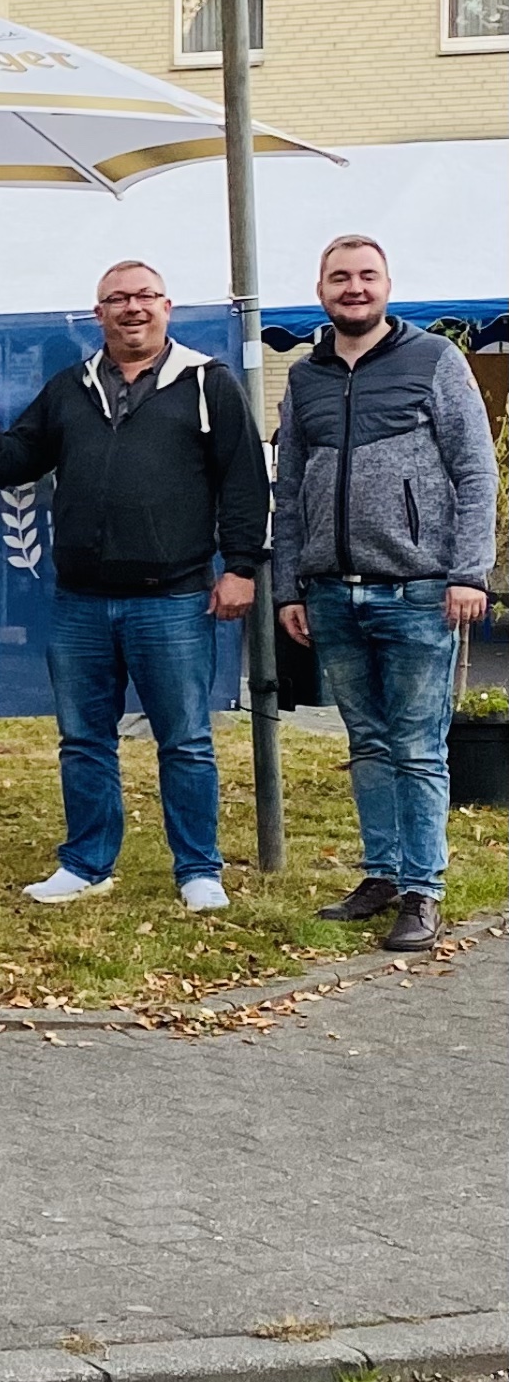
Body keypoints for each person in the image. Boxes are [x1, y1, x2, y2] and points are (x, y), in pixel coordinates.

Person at [0, 260, 269, 912]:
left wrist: (241, 567)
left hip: (174, 599)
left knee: (185, 741)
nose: (132, 308)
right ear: (97, 313)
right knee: (83, 741)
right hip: (80, 601)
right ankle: (85, 864)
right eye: (117, 299)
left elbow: (245, 483)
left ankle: (198, 870)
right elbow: (21, 461)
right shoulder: (69, 387)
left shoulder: (207, 383)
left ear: (167, 306)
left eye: (144, 296)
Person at [274, 235, 497, 954]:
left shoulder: (434, 360)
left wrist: (468, 572)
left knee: (417, 747)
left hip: (419, 591)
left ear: (387, 285)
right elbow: (289, 489)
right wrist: (288, 585)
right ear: (320, 290)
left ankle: (423, 890)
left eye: (366, 275)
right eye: (339, 277)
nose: (354, 288)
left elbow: (475, 469)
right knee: (366, 742)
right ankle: (381, 874)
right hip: (330, 594)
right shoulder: (304, 376)